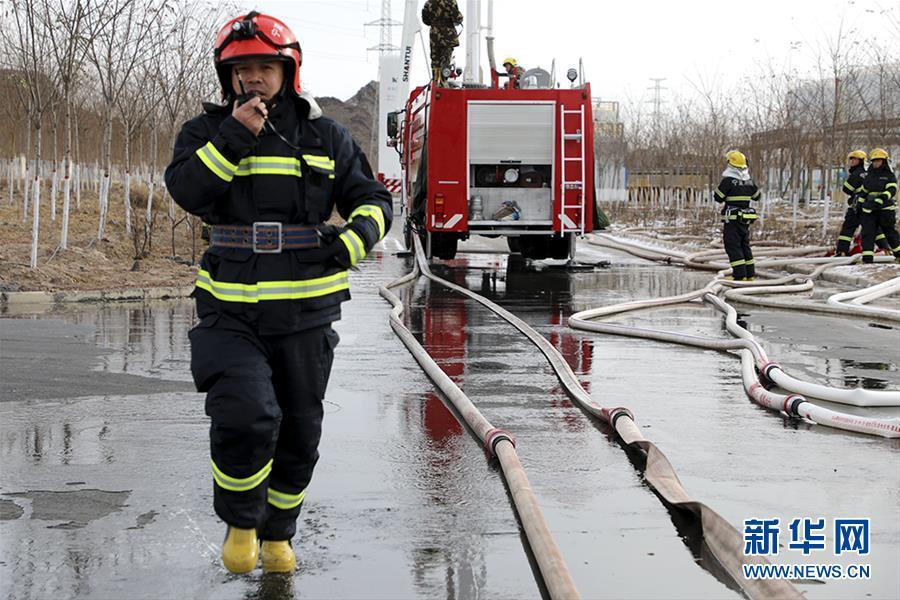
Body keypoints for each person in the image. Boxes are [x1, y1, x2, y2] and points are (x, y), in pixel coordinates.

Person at [164, 11, 392, 574]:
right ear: (228, 76)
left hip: (308, 312)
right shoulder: (204, 133)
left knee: (299, 428)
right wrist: (235, 134)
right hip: (229, 308)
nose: (254, 80)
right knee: (246, 415)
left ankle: (278, 535)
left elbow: (374, 203)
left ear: (289, 71)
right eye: (242, 70)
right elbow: (188, 191)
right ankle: (242, 522)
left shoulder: (325, 135)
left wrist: (352, 242)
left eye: (266, 67)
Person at [713, 151, 761, 280]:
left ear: (730, 164)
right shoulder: (749, 181)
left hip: (732, 220)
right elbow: (757, 196)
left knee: (733, 246)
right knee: (745, 245)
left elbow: (718, 197)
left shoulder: (728, 181)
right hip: (745, 220)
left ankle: (739, 275)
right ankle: (750, 274)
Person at [835, 150, 890, 256]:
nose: (851, 161)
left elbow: (847, 189)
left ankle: (842, 251)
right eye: (851, 159)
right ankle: (886, 248)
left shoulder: (856, 174)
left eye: (854, 159)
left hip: (857, 206)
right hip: (869, 205)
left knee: (848, 228)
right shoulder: (870, 173)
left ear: (860, 161)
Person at [858, 148, 900, 263]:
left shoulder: (889, 175)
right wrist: (859, 203)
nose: (876, 163)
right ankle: (867, 260)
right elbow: (864, 190)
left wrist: (881, 199)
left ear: (884, 161)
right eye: (874, 161)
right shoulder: (869, 175)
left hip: (885, 210)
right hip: (870, 210)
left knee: (890, 233)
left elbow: (892, 189)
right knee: (868, 234)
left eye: (878, 161)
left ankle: (899, 254)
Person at [421, 0, 462, 85]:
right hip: (447, 35)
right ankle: (443, 82)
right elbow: (457, 18)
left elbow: (425, 21)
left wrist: (435, 22)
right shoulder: (450, 2)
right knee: (445, 59)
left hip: (434, 36)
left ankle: (435, 82)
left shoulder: (429, 3)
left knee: (435, 60)